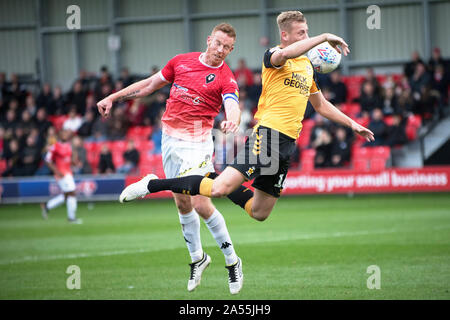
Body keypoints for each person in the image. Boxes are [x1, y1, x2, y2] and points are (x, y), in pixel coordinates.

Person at [117, 10, 374, 285]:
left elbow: (321, 105)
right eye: (302, 33)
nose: (308, 37)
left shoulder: (307, 67)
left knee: (259, 212)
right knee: (217, 191)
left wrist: (352, 124)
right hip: (268, 136)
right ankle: (153, 185)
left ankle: (216, 178)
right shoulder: (274, 56)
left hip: (286, 145)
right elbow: (282, 57)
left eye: (309, 32)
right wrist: (324, 37)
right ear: (285, 35)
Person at [97, 23, 244, 294]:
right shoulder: (181, 61)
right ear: (209, 39)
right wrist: (114, 97)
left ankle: (232, 261)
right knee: (182, 202)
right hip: (170, 140)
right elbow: (150, 85)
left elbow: (232, 104)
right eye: (218, 43)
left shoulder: (225, 77)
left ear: (231, 49)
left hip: (198, 141)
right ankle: (198, 259)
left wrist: (233, 121)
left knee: (201, 203)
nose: (220, 50)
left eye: (227, 47)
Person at [40, 129, 81, 224]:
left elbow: (72, 161)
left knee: (67, 195)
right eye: (63, 133)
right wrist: (56, 171)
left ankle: (47, 206)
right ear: (60, 135)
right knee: (72, 193)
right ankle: (71, 218)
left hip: (68, 173)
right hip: (61, 174)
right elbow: (47, 160)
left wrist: (75, 158)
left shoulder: (69, 146)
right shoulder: (55, 146)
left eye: (66, 133)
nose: (65, 135)